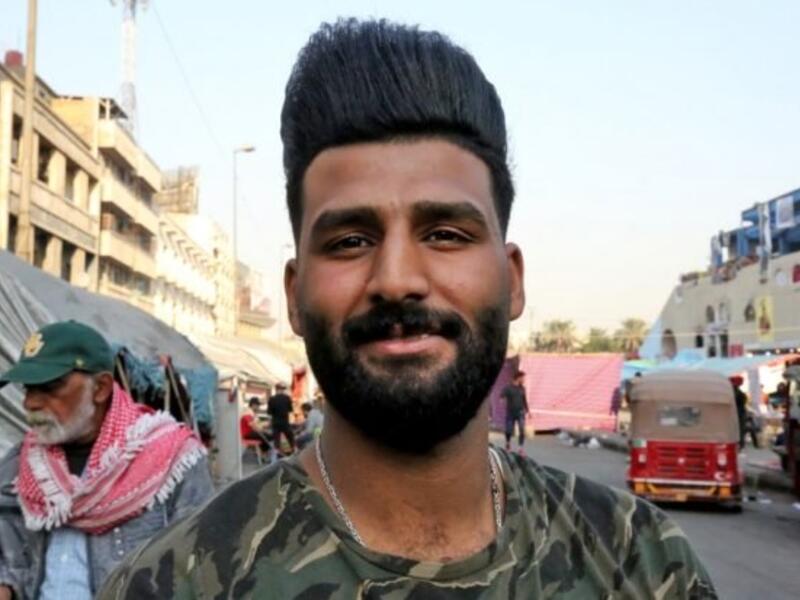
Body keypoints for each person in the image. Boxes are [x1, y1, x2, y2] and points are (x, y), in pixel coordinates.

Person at [100, 19, 716, 598]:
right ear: (293, 294)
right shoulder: (176, 582)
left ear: (513, 278)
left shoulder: (643, 562)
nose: (396, 280)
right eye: (350, 241)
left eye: (446, 234)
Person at [0, 320, 213, 600]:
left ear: (100, 388)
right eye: (28, 389)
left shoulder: (172, 459)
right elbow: (9, 554)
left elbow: (204, 569)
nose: (31, 403)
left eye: (49, 387)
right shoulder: (22, 463)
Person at [502, 371, 529, 454]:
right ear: (518, 378)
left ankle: (520, 448)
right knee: (509, 430)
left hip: (520, 412)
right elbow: (502, 397)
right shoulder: (508, 388)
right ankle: (508, 443)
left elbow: (524, 400)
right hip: (510, 413)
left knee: (522, 430)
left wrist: (528, 411)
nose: (524, 379)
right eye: (523, 378)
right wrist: (504, 402)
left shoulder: (522, 388)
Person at [267, 382, 295, 454]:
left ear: (276, 389)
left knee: (277, 440)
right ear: (282, 390)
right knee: (290, 438)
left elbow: (269, 413)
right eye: (283, 389)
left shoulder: (272, 399)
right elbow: (290, 410)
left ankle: (276, 457)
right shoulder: (287, 398)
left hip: (275, 423)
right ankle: (292, 453)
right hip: (285, 422)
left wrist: (269, 423)